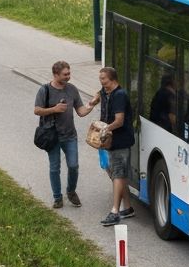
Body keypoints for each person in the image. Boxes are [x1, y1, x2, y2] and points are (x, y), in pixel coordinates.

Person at [33, 60, 98, 209]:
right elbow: (37, 110)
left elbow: (81, 111)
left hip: (69, 135)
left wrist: (92, 104)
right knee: (55, 167)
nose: (68, 76)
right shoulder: (45, 90)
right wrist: (54, 109)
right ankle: (57, 197)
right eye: (65, 74)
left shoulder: (72, 89)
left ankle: (71, 191)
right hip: (52, 136)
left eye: (69, 73)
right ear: (55, 75)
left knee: (73, 166)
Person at [97, 66, 135, 226]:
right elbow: (99, 93)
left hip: (120, 142)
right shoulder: (107, 92)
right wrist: (93, 100)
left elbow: (119, 121)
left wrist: (105, 129)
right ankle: (128, 207)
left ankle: (115, 212)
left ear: (112, 79)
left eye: (103, 79)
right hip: (112, 143)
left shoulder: (119, 95)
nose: (101, 82)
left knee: (118, 175)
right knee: (119, 174)